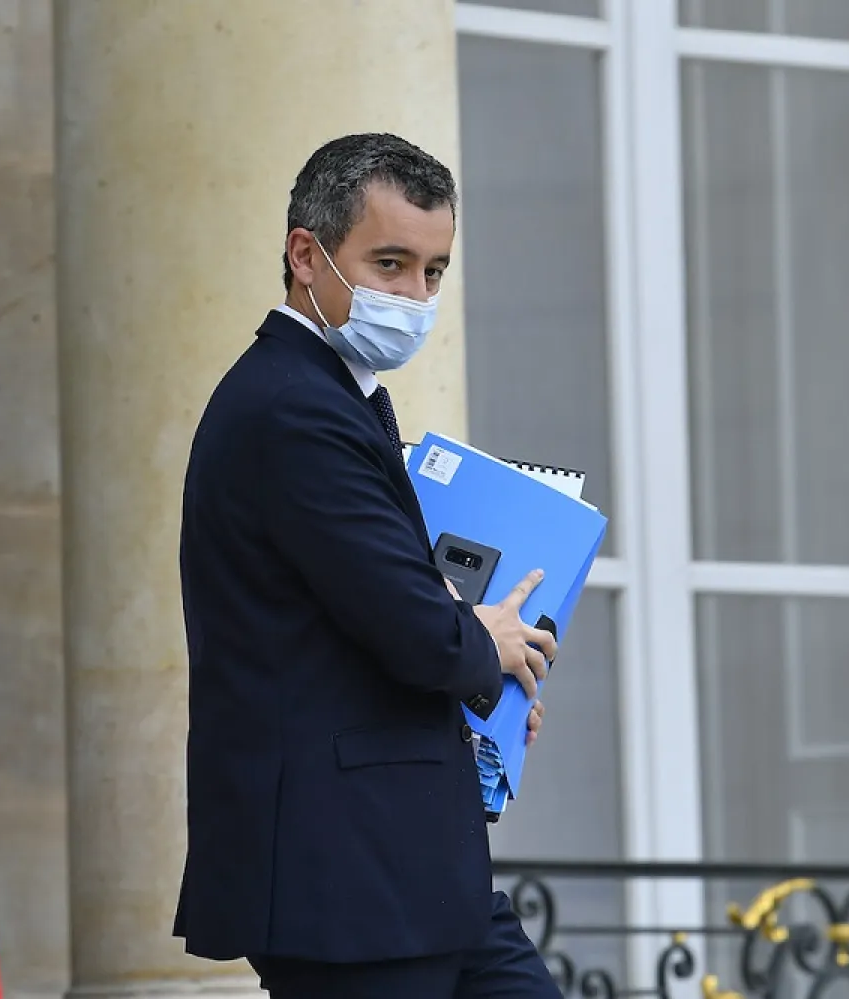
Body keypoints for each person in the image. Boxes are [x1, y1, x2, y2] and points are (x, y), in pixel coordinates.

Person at [174, 132, 564, 998]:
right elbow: (413, 625)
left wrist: (491, 676)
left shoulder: (333, 399)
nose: (416, 296)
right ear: (305, 254)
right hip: (348, 882)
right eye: (390, 263)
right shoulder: (292, 410)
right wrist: (480, 646)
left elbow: (362, 621)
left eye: (433, 271)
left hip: (409, 870)